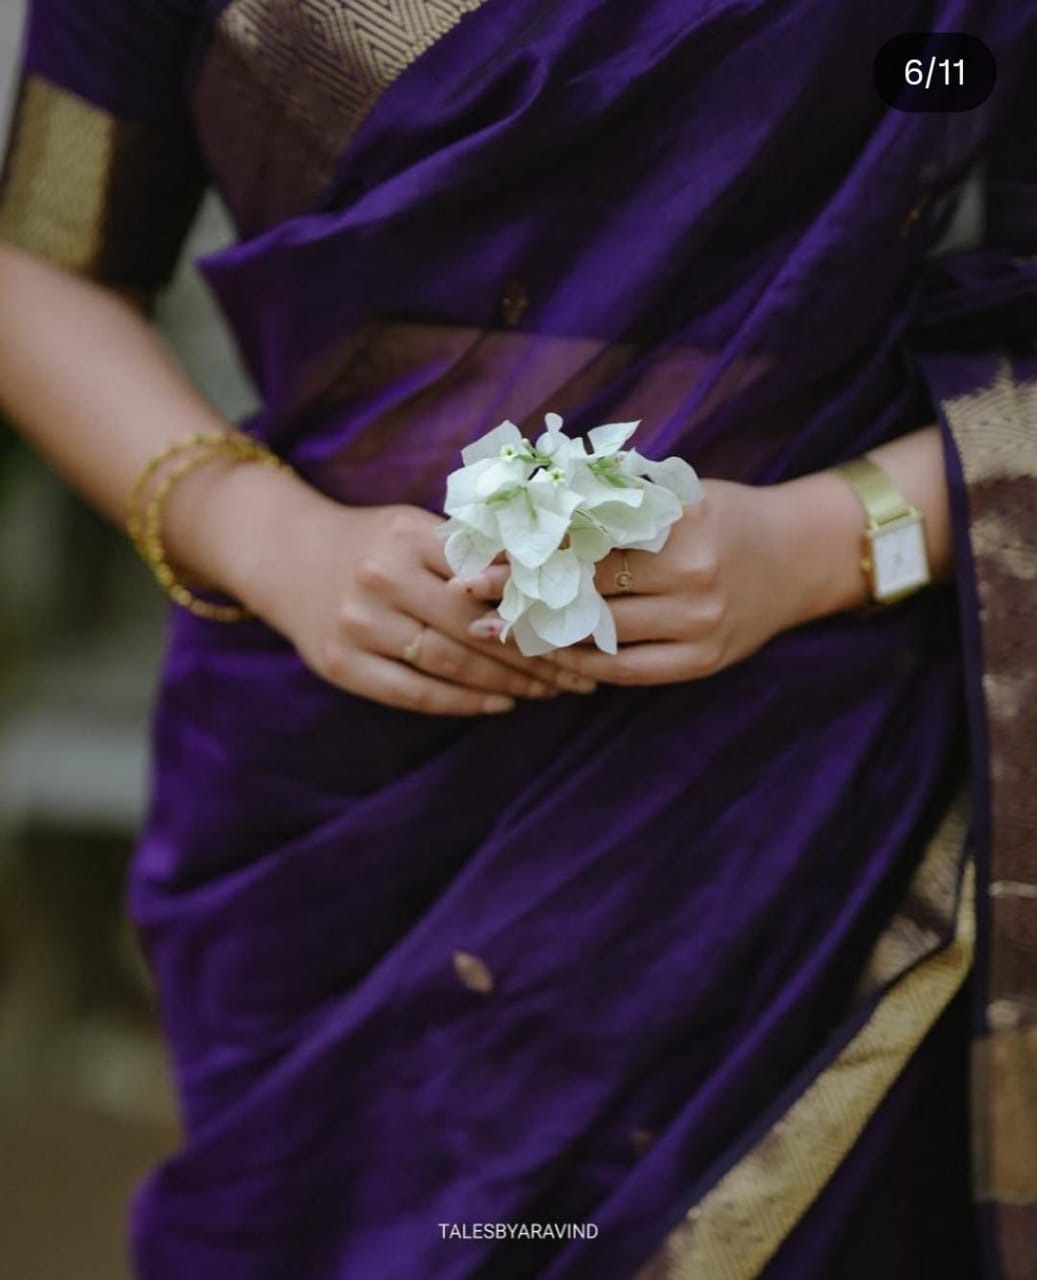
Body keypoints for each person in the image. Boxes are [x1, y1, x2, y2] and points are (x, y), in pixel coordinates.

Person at [0, 1, 1034, 1276]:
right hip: (348, 796)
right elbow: (43, 267)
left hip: (806, 803)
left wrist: (833, 538)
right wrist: (264, 536)